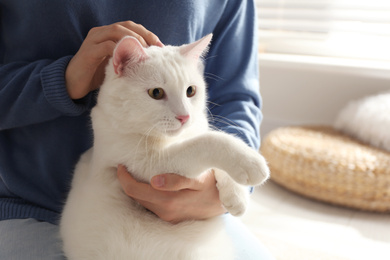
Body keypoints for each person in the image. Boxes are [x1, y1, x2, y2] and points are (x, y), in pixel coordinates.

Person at [0, 0, 274, 259]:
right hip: (36, 206)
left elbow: (236, 95)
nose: (182, 115)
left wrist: (222, 185)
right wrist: (62, 79)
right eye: (157, 93)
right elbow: (151, 168)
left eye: (191, 92)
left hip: (194, 215)